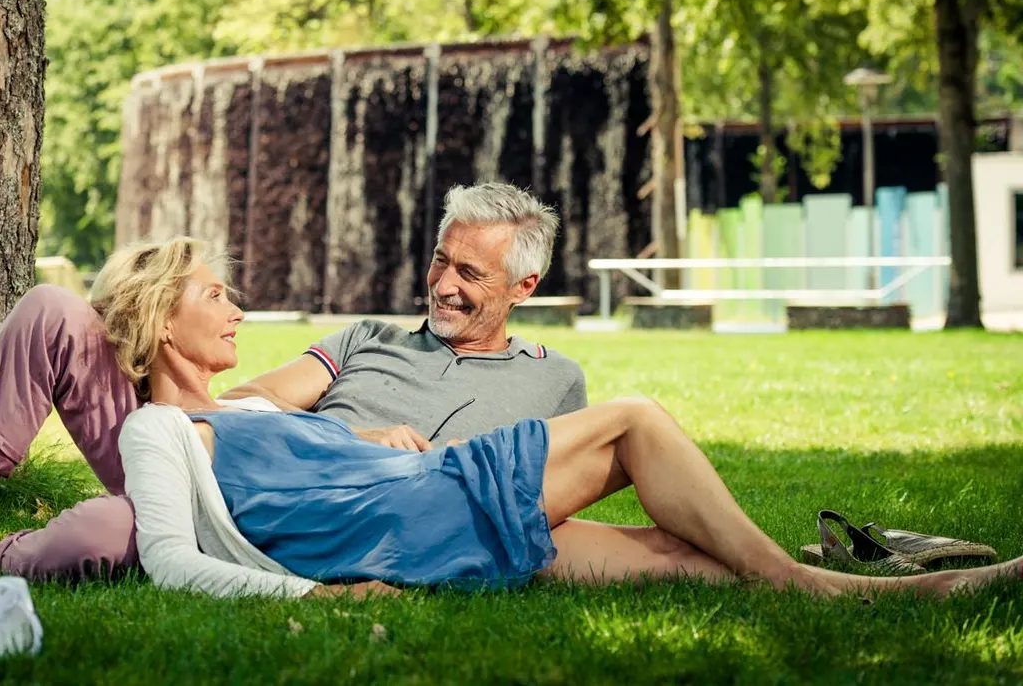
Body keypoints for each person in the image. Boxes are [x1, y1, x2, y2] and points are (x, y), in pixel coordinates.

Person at [115, 239, 1022, 598]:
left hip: (416, 508)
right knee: (632, 421)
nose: (236, 307)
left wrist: (355, 434)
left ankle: (882, 582)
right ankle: (839, 584)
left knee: (680, 562)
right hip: (419, 509)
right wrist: (321, 595)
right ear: (162, 321)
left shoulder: (234, 407)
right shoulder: (157, 429)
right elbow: (170, 561)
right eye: (214, 294)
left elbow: (292, 440)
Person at [0, 183, 587, 580]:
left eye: (469, 273)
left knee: (109, 531)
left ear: (525, 286)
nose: (443, 285)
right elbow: (253, 403)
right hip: (234, 455)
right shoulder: (366, 338)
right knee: (53, 309)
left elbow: (525, 494)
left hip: (354, 506)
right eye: (440, 262)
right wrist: (349, 431)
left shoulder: (556, 384)